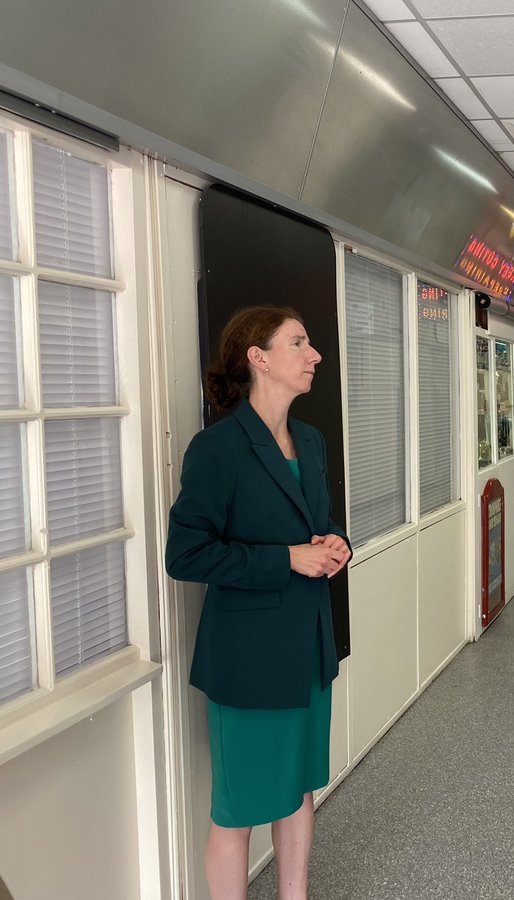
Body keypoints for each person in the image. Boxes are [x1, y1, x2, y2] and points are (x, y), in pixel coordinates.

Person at [166, 306, 351, 900]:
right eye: (300, 342)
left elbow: (314, 525)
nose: (314, 354)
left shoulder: (312, 442)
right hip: (248, 662)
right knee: (239, 806)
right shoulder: (217, 450)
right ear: (258, 357)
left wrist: (334, 542)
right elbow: (186, 555)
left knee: (297, 787)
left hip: (307, 650)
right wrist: (286, 559)